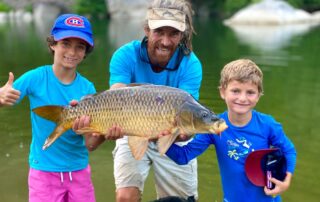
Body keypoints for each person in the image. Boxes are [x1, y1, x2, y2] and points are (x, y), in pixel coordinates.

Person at [78, 0, 202, 201]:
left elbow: (189, 117)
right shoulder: (125, 55)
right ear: (146, 29)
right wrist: (106, 123)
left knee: (180, 200)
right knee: (125, 197)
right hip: (132, 126)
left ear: (182, 35)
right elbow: (115, 97)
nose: (165, 41)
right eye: (159, 32)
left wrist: (183, 135)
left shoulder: (191, 64)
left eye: (173, 34)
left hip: (170, 134)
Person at [165, 59, 297, 202]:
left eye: (250, 92)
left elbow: (289, 150)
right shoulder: (213, 127)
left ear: (259, 95)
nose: (242, 98)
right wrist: (155, 138)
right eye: (235, 91)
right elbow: (183, 156)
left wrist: (286, 180)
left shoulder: (268, 125)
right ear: (222, 92)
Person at [0, 14, 98, 202]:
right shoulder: (35, 78)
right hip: (43, 173)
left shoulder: (88, 88)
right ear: (53, 44)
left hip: (79, 172)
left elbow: (90, 142)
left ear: (86, 52)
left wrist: (93, 132)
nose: (72, 51)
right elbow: (5, 97)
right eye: (66, 43)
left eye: (80, 46)